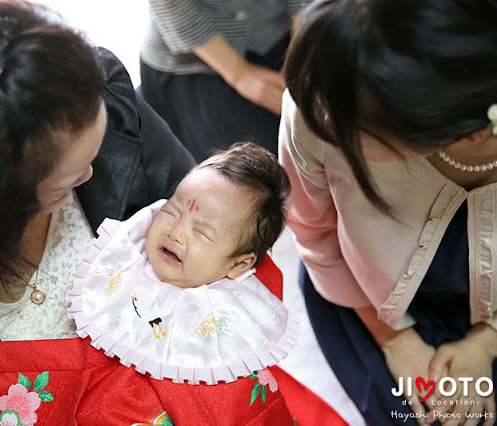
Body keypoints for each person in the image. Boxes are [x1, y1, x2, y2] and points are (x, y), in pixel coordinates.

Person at [0, 1, 297, 423]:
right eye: (64, 182)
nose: (90, 173)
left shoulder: (103, 99)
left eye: (95, 146)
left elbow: (221, 224)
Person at [279, 0, 497, 425]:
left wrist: (486, 342)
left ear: (466, 136)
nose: (325, 124)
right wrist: (396, 340)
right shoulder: (320, 97)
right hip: (366, 292)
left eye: (357, 135)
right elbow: (313, 232)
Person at [67, 142, 298, 385]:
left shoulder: (229, 314)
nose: (175, 232)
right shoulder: (127, 254)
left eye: (201, 232)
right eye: (172, 212)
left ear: (238, 265)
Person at [139, 0, 311, 162]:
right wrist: (240, 74)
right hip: (194, 58)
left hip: (289, 34)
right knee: (258, 167)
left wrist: (298, 54)